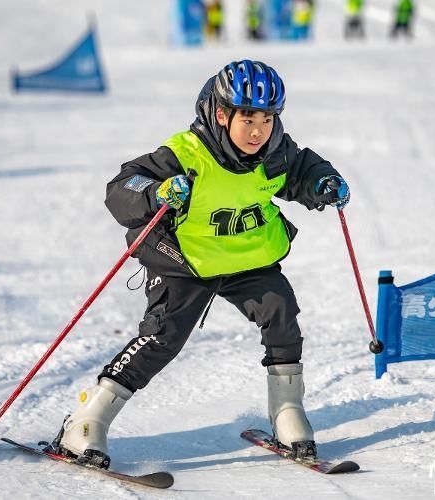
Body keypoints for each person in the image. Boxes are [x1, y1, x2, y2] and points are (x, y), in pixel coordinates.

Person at [50, 60, 351, 469]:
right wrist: (157, 192)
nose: (258, 130)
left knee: (280, 311)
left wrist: (322, 184)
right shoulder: (185, 154)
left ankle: (287, 413)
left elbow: (303, 171)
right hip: (185, 259)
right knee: (164, 336)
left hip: (246, 256)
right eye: (248, 117)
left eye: (267, 118)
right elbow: (123, 188)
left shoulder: (276, 152)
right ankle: (86, 421)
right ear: (221, 113)